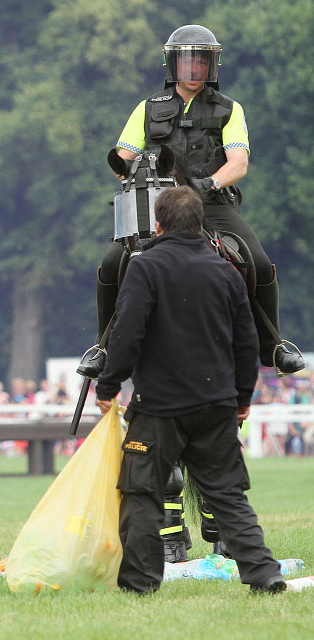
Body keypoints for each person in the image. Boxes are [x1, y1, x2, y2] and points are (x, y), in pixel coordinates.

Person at [78, 24, 304, 379]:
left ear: (211, 66)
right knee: (110, 265)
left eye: (201, 62)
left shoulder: (230, 109)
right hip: (159, 204)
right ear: (174, 65)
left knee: (259, 262)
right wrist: (129, 174)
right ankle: (103, 347)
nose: (194, 69)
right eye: (187, 62)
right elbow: (124, 154)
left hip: (210, 201)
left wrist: (208, 183)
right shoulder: (147, 108)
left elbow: (239, 163)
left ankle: (273, 345)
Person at [95, 186, 285, 594]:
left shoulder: (145, 268)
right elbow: (247, 342)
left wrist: (108, 385)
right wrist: (243, 398)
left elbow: (127, 333)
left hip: (158, 408)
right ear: (201, 223)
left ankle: (140, 583)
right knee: (230, 496)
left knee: (141, 493)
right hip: (216, 405)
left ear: (158, 224)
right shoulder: (227, 272)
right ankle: (264, 574)